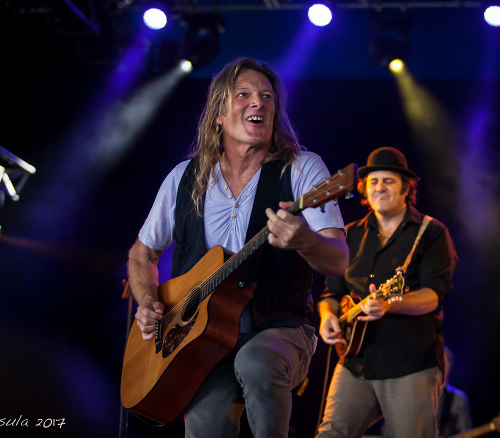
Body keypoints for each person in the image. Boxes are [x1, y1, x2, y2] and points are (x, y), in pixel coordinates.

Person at [127, 57, 349, 438]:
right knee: (205, 426)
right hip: (200, 340)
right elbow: (141, 253)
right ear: (218, 113)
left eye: (266, 96)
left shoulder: (302, 168)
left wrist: (305, 241)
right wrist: (147, 302)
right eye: (243, 94)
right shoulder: (183, 178)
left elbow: (339, 261)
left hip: (279, 325)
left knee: (256, 362)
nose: (258, 103)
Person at [316, 146, 458, 438]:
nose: (379, 187)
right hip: (355, 362)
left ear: (406, 188)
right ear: (365, 190)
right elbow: (330, 294)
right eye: (373, 181)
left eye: (388, 181)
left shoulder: (431, 233)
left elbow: (433, 295)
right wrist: (327, 316)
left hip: (409, 362)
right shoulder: (350, 234)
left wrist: (391, 304)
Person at [437, 346, 473, 437]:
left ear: (449, 366)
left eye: (443, 362)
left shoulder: (459, 399)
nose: (440, 366)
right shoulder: (423, 396)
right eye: (437, 362)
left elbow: (465, 431)